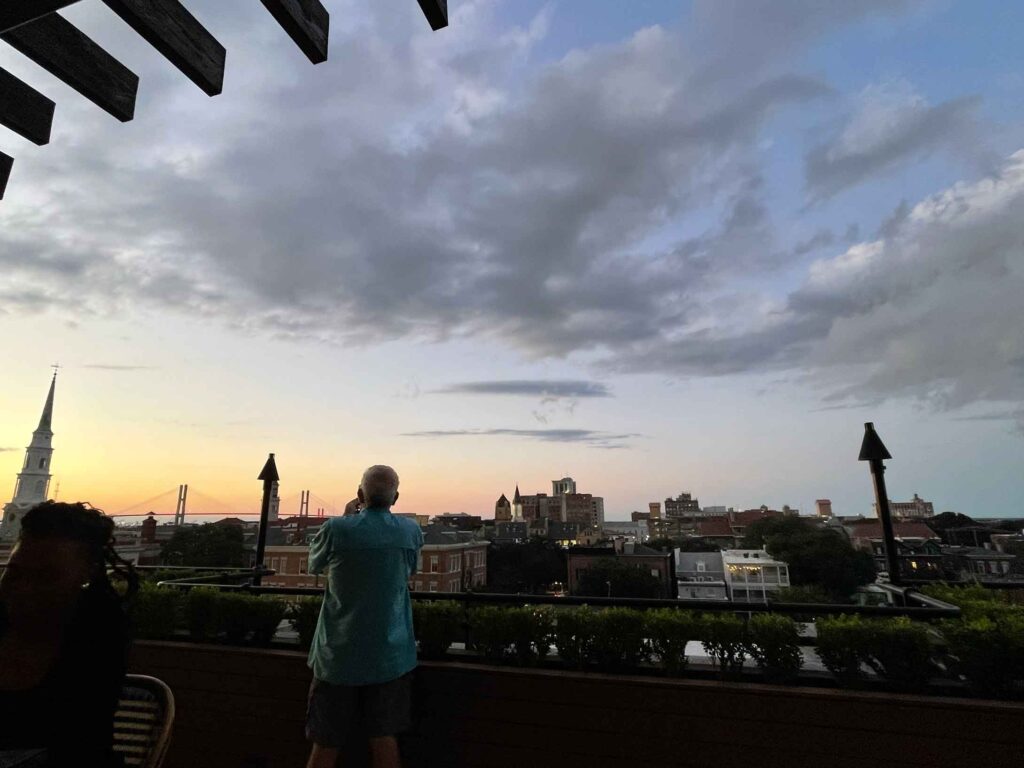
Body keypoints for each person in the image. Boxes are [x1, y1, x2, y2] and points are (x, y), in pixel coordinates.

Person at [0, 502, 138, 767]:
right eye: (14, 573)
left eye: (46, 577)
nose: (24, 589)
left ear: (85, 577)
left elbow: (78, 746)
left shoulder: (96, 644)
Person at [305, 465, 423, 768]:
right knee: (384, 739)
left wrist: (348, 519)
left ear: (359, 494)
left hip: (337, 656)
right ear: (396, 497)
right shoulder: (410, 530)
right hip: (391, 655)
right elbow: (410, 570)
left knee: (325, 743)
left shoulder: (336, 529)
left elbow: (314, 564)